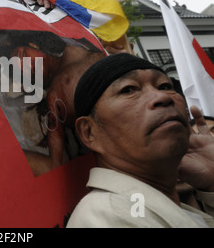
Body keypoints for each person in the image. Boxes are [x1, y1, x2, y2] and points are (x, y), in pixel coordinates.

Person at [66, 53, 214, 227]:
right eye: (128, 89)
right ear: (90, 132)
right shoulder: (105, 217)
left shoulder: (179, 209)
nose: (162, 97)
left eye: (165, 86)